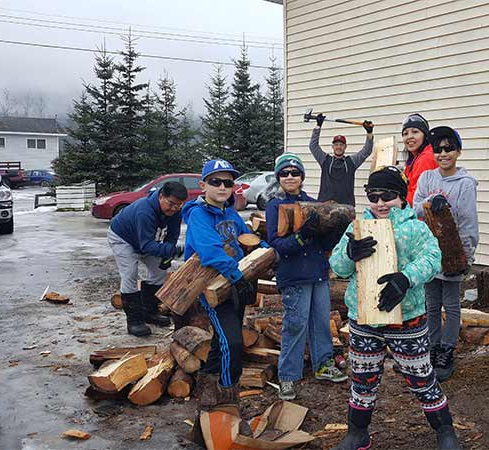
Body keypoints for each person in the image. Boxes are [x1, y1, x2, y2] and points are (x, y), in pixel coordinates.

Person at [329, 166, 462, 450]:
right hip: (364, 319)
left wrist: (406, 277)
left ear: (401, 197)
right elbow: (338, 267)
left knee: (420, 375)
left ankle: (445, 430)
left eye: (387, 196)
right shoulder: (357, 227)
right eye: (374, 196)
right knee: (363, 378)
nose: (380, 203)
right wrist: (349, 255)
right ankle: (357, 432)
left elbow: (432, 258)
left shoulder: (414, 227)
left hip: (407, 320)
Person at [181, 159, 268, 422]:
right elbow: (209, 252)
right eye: (216, 181)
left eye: (227, 182)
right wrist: (237, 274)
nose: (222, 186)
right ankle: (228, 400)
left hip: (234, 284)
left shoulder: (230, 213)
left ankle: (207, 391)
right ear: (203, 185)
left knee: (221, 341)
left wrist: (265, 249)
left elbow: (246, 239)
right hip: (212, 288)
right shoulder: (199, 214)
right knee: (233, 343)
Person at [265, 153, 348, 401]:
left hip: (318, 271)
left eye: (294, 172)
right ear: (279, 177)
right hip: (293, 274)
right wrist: (302, 236)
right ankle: (288, 376)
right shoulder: (274, 206)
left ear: (302, 176)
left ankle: (323, 364)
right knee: (295, 324)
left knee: (321, 321)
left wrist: (334, 231)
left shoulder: (314, 205)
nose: (290, 177)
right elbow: (275, 242)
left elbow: (323, 243)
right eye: (284, 173)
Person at [413, 126, 479, 382]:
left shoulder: (465, 183)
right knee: (431, 304)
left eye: (449, 148)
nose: (443, 153)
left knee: (451, 304)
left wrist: (467, 255)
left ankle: (447, 349)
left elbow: (468, 221)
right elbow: (415, 207)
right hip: (429, 252)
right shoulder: (428, 179)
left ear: (458, 151)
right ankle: (431, 346)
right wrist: (430, 204)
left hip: (452, 253)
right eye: (438, 149)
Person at [107, 181, 186, 336]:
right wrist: (171, 250)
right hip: (123, 239)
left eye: (179, 205)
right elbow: (146, 246)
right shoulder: (145, 211)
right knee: (130, 274)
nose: (174, 208)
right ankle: (134, 321)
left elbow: (172, 235)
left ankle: (149, 313)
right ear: (161, 196)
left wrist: (167, 252)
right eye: (171, 204)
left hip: (147, 240)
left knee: (159, 273)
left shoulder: (175, 211)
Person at [309, 113, 375, 206]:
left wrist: (369, 133)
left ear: (345, 147)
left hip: (346, 206)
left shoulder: (351, 161)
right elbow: (313, 146)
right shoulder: (325, 160)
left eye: (341, 145)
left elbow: (366, 151)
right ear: (332, 147)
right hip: (325, 206)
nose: (338, 147)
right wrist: (318, 126)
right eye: (336, 145)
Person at [401, 113, 438, 206]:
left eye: (415, 132)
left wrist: (395, 200)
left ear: (425, 135)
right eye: (405, 133)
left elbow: (416, 196)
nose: (409, 136)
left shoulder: (425, 158)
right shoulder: (416, 157)